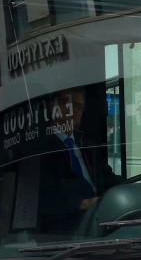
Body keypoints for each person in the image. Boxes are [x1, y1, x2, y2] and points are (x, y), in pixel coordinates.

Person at [37, 87, 120, 235]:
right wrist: (82, 203)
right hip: (63, 228)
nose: (75, 110)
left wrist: (131, 189)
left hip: (101, 220)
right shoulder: (38, 147)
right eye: (70, 104)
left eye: (79, 107)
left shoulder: (87, 145)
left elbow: (108, 178)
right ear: (52, 106)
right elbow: (42, 193)